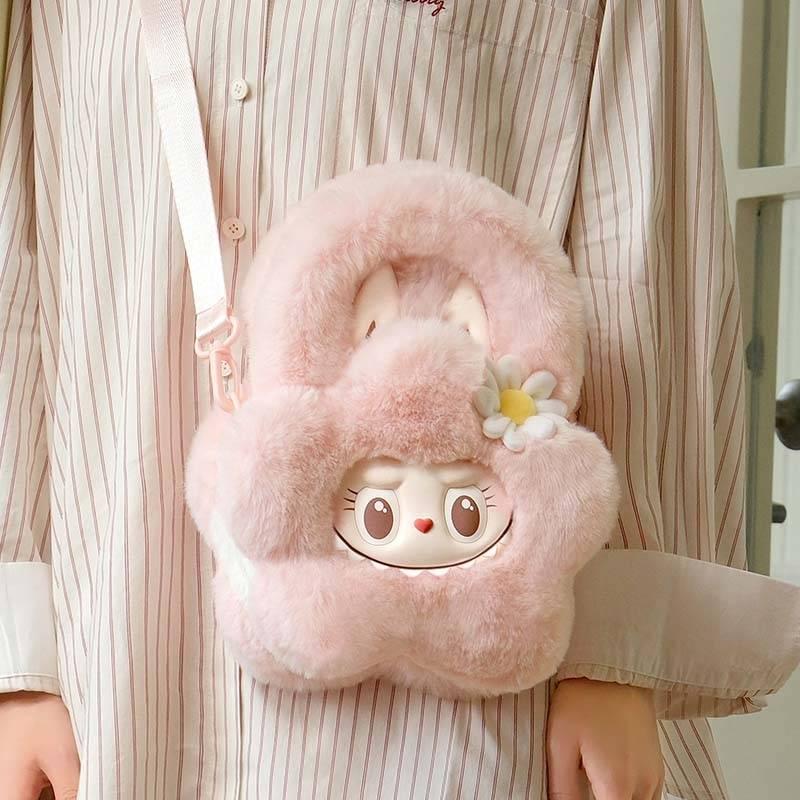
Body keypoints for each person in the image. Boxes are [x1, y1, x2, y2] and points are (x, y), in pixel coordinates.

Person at [0, 1, 796, 798]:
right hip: (117, 645)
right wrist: (18, 658)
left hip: (461, 670)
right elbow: (23, 269)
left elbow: (639, 258)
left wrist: (615, 656)